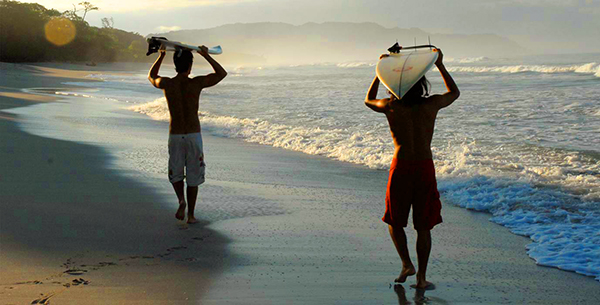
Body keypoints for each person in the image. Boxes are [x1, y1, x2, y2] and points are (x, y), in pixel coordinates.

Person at [364, 49, 459, 290]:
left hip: (402, 167)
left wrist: (380, 72)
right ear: (421, 84)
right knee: (423, 226)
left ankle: (407, 264)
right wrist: (439, 64)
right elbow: (454, 93)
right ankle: (421, 278)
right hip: (425, 167)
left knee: (395, 220)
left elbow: (368, 100)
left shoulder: (390, 106)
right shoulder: (432, 104)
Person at [148, 46, 227, 224]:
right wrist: (206, 55)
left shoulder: (167, 84)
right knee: (194, 175)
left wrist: (161, 56)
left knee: (176, 173)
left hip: (175, 134)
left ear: (175, 64)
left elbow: (152, 76)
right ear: (190, 65)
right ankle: (191, 215)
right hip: (193, 135)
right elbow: (221, 74)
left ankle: (181, 200)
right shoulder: (196, 83)